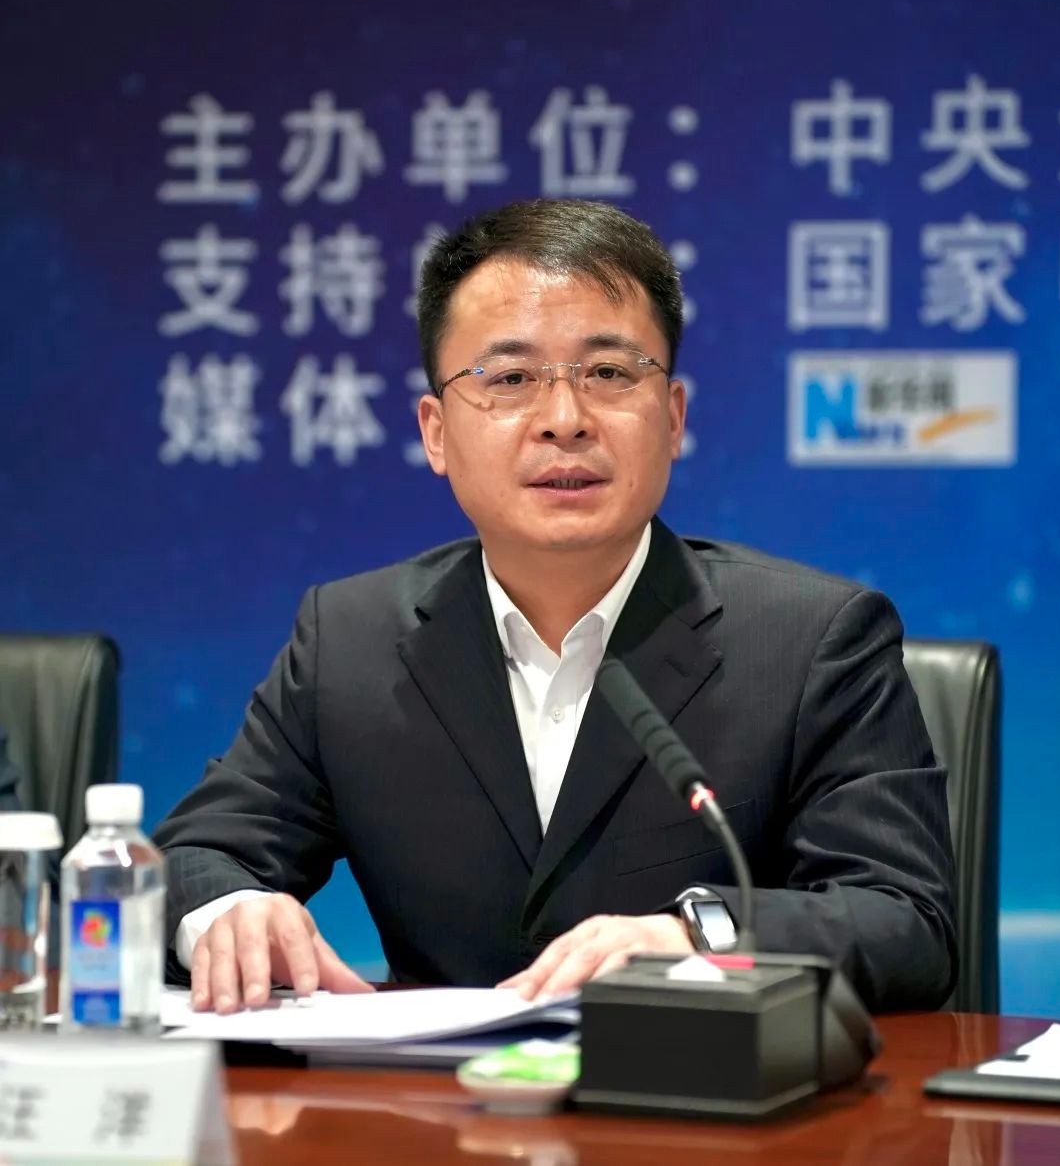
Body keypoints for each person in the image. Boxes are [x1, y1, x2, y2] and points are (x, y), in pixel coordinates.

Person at [154, 199, 956, 1015]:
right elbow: (193, 858)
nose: (564, 422)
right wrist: (229, 914)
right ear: (436, 432)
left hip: (701, 1088)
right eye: (509, 380)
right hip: (432, 1094)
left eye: (609, 374)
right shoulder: (350, 641)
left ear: (672, 418)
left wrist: (697, 937)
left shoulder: (811, 640)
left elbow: (907, 923)